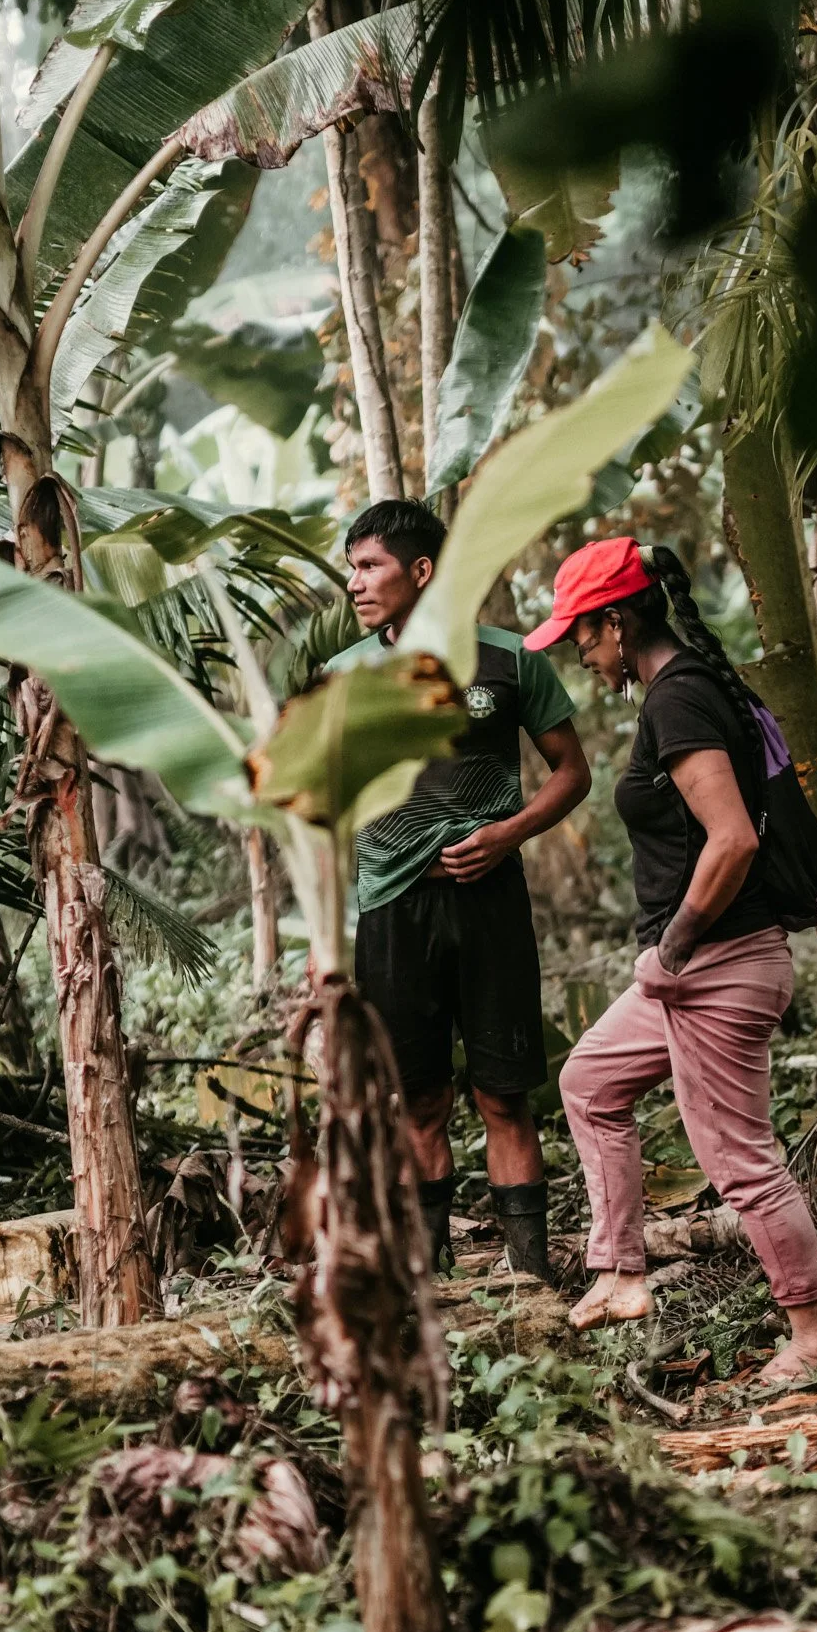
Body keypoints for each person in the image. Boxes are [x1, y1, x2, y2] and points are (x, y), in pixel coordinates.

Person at [524, 536, 817, 1387]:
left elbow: (733, 839)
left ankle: (816, 1336)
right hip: (692, 969)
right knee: (589, 1083)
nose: (580, 655)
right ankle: (620, 1274)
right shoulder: (683, 690)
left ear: (617, 623)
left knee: (738, 1159)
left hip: (716, 965)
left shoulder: (680, 701)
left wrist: (670, 950)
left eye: (581, 636)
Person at [339, 498, 591, 1280]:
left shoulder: (511, 660)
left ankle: (530, 1278)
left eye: (370, 565)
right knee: (417, 1100)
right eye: (351, 568)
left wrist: (509, 833)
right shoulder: (343, 678)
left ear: (422, 570)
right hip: (391, 910)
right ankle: (430, 1277)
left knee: (503, 1096)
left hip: (490, 904)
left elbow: (573, 772)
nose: (354, 582)